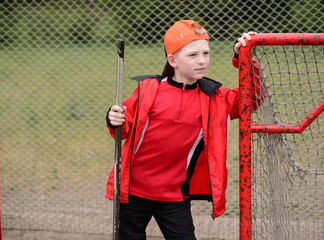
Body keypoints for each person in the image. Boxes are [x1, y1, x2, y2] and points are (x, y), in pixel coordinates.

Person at [106, 20, 261, 240]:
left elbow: (254, 97)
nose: (202, 61)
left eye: (206, 53)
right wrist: (113, 119)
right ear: (173, 60)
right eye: (192, 55)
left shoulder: (216, 98)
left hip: (174, 196)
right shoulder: (149, 89)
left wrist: (242, 57)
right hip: (133, 191)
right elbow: (123, 126)